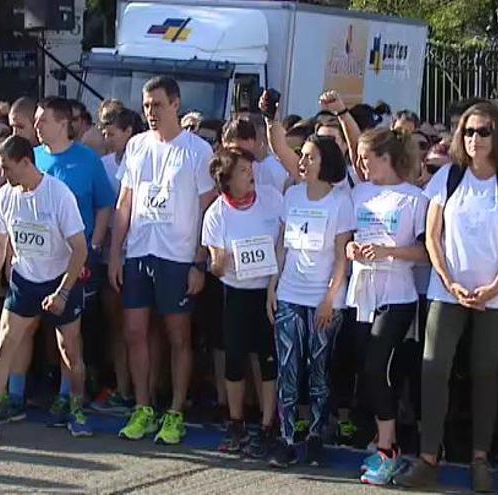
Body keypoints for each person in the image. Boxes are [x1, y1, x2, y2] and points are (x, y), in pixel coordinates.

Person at [396, 102, 498, 493]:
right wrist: (448, 279)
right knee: (434, 366)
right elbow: (433, 234)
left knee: (484, 372)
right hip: (447, 289)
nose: (475, 139)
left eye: (484, 132)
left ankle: (479, 459)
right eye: (469, 132)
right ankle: (427, 458)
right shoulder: (449, 177)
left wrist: (495, 286)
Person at [108, 76, 217, 445]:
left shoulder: (198, 151)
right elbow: (125, 203)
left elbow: (207, 211)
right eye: (146, 105)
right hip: (139, 252)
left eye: (157, 104)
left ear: (175, 104)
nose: (151, 112)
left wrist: (198, 263)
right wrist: (115, 254)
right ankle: (143, 407)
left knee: (177, 336)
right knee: (135, 332)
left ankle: (175, 411)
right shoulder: (137, 145)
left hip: (178, 256)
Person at [0, 135, 89, 443]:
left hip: (61, 279)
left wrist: (62, 292)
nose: (3, 176)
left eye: (7, 168)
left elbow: (80, 249)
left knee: (70, 350)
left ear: (26, 162)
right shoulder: (6, 195)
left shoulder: (59, 195)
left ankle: (76, 410)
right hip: (24, 280)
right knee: (5, 344)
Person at [343, 128, 428, 485]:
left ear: (386, 158)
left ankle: (389, 450)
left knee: (380, 367)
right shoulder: (359, 192)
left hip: (397, 294)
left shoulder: (414, 199)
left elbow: (426, 253)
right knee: (367, 369)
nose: (361, 164)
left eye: (366, 157)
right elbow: (346, 241)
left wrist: (388, 252)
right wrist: (352, 251)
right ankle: (382, 438)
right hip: (361, 293)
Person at [268, 134, 353, 468]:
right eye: (301, 156)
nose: (302, 162)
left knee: (318, 370)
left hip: (323, 299)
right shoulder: (291, 195)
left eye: (310, 157)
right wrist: (272, 286)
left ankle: (316, 435)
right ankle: (287, 438)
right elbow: (282, 245)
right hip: (290, 292)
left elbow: (341, 256)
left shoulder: (340, 201)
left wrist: (329, 299)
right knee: (288, 367)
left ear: (326, 162)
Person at [33, 96, 115, 425]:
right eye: (36, 121)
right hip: (37, 259)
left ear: (63, 124)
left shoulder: (87, 160)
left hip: (76, 259)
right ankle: (36, 387)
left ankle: (71, 394)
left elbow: (104, 204)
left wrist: (94, 245)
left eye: (43, 121)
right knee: (36, 329)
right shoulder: (33, 158)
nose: (37, 127)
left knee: (71, 332)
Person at [202, 149, 282, 458]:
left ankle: (267, 425)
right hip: (234, 291)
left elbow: (283, 238)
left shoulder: (272, 198)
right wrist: (223, 261)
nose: (251, 175)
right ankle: (236, 422)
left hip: (267, 291)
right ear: (227, 179)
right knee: (234, 357)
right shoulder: (216, 214)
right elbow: (215, 265)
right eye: (243, 171)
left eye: (251, 169)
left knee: (267, 357)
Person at [90, 107, 143, 414]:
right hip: (110, 253)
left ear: (128, 133)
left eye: (112, 133)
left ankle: (144, 391)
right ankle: (122, 389)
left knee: (138, 329)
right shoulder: (103, 165)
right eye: (105, 133)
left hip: (136, 251)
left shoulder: (142, 159)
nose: (107, 139)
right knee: (115, 325)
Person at [222, 118, 289, 193]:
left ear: (255, 143)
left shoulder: (272, 171)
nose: (242, 158)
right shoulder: (218, 171)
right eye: (235, 153)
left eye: (246, 153)